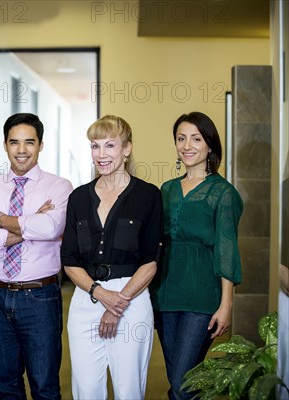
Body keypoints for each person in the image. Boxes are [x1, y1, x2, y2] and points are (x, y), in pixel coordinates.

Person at [0, 113, 73, 400]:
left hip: (41, 297)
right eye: (14, 142)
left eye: (30, 142)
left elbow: (52, 227)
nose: (22, 150)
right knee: (5, 386)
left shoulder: (59, 187)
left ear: (41, 145)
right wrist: (31, 221)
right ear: (5, 145)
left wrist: (0, 219)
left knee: (45, 387)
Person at [60, 115, 163, 399]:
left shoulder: (148, 196)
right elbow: (69, 258)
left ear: (127, 149)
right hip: (86, 296)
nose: (101, 155)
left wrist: (117, 303)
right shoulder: (79, 197)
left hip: (131, 297)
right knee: (86, 389)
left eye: (110, 145)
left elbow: (151, 260)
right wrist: (99, 293)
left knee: (129, 389)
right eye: (95, 146)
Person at [150, 111, 243, 400]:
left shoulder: (223, 193)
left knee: (181, 382)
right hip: (165, 293)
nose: (187, 145)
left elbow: (227, 248)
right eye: (181, 138)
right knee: (180, 379)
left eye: (196, 138)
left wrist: (226, 304)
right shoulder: (166, 189)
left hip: (201, 296)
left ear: (210, 145)